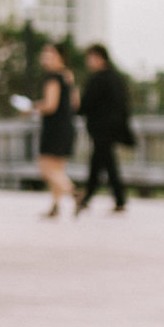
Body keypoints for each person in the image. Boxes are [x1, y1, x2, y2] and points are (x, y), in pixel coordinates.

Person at [76, 43, 133, 215]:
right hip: (112, 129)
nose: (89, 62)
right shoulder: (116, 79)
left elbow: (85, 105)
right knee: (103, 163)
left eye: (91, 58)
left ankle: (93, 198)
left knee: (104, 163)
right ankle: (96, 197)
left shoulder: (98, 79)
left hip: (101, 129)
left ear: (100, 58)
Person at [33, 43, 77, 218]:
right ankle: (55, 206)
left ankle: (74, 193)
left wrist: (33, 107)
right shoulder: (68, 76)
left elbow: (50, 105)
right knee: (58, 169)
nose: (45, 57)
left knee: (45, 167)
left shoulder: (52, 78)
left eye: (49, 54)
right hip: (67, 125)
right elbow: (75, 103)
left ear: (60, 57)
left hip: (54, 127)